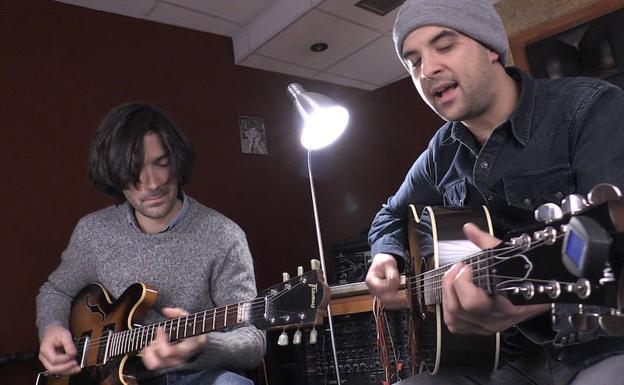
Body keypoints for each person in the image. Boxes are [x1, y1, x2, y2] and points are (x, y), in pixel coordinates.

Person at [365, 0, 624, 384]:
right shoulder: (441, 153)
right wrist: (385, 253)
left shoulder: (588, 108)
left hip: (600, 343)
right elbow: (390, 214)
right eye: (413, 61)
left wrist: (527, 299)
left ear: (491, 49)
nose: (428, 69)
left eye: (445, 45)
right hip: (503, 359)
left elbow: (612, 243)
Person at [36, 102, 266, 385]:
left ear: (177, 161)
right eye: (134, 171)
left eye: (161, 163)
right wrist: (51, 327)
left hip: (194, 376)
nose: (153, 182)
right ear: (114, 174)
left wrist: (202, 345)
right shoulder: (93, 231)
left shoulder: (224, 236)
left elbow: (252, 340)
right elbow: (55, 291)